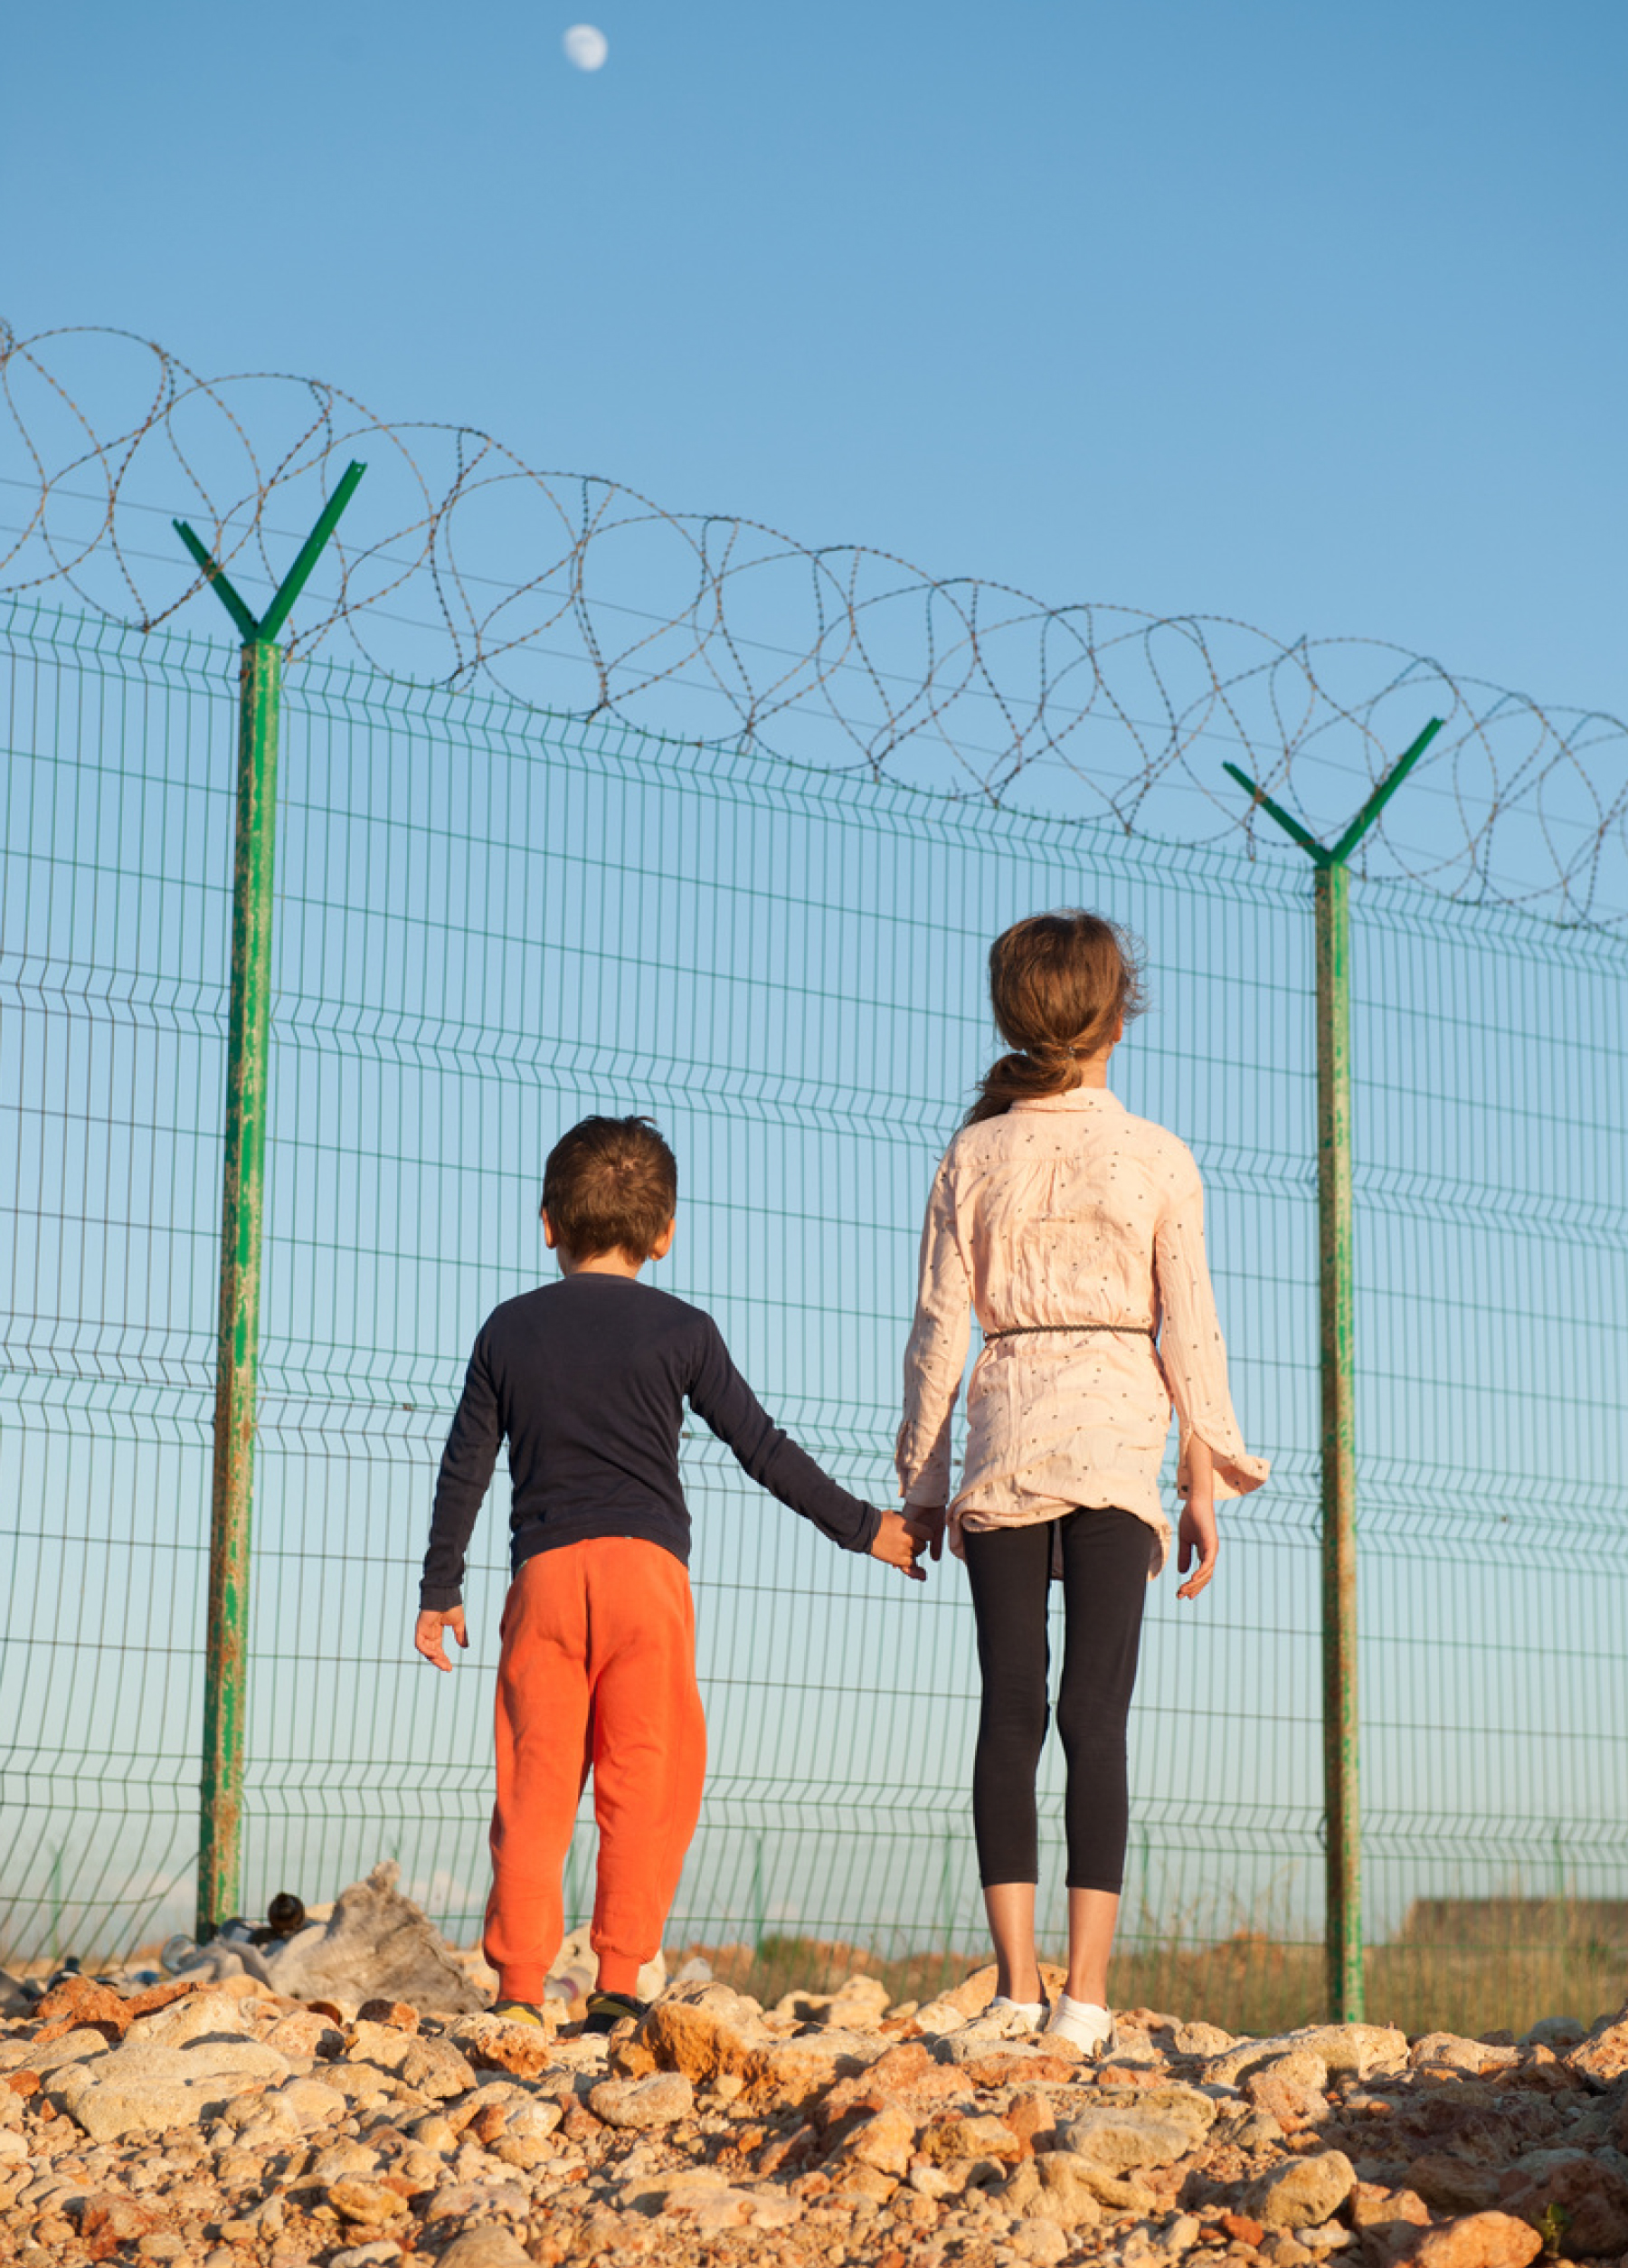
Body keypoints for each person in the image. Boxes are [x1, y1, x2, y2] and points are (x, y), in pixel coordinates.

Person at [416, 1113, 925, 2033]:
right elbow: (761, 1446)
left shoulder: (507, 1329)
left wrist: (438, 1587)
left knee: (533, 1782)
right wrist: (865, 1528)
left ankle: (522, 1987)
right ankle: (618, 1976)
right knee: (646, 1775)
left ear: (546, 1222)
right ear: (665, 1233)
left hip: (543, 1577)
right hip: (646, 1579)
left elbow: (466, 1463)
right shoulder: (683, 1329)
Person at [895, 911, 1267, 2055]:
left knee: (1009, 1706)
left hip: (1003, 1440)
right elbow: (1188, 1332)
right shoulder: (1158, 1153)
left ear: (1014, 1016)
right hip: (1120, 1452)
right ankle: (1086, 1999)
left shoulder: (972, 1154)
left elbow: (937, 1334)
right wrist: (1204, 1477)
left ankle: (1014, 1988)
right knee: (1093, 1713)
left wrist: (920, 1482)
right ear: (1119, 1015)